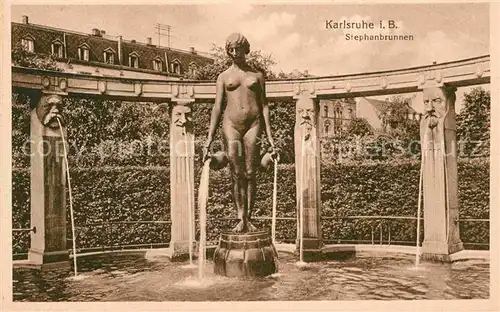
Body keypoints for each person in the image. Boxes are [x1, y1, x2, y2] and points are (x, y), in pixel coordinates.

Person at [203, 33, 277, 233]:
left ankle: (249, 218)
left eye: (238, 48)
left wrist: (270, 137)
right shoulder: (223, 77)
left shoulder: (258, 76)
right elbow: (217, 107)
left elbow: (264, 106)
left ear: (246, 49)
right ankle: (239, 218)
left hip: (254, 125)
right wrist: (209, 138)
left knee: (251, 173)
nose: (235, 53)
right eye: (231, 49)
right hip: (231, 125)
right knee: (237, 173)